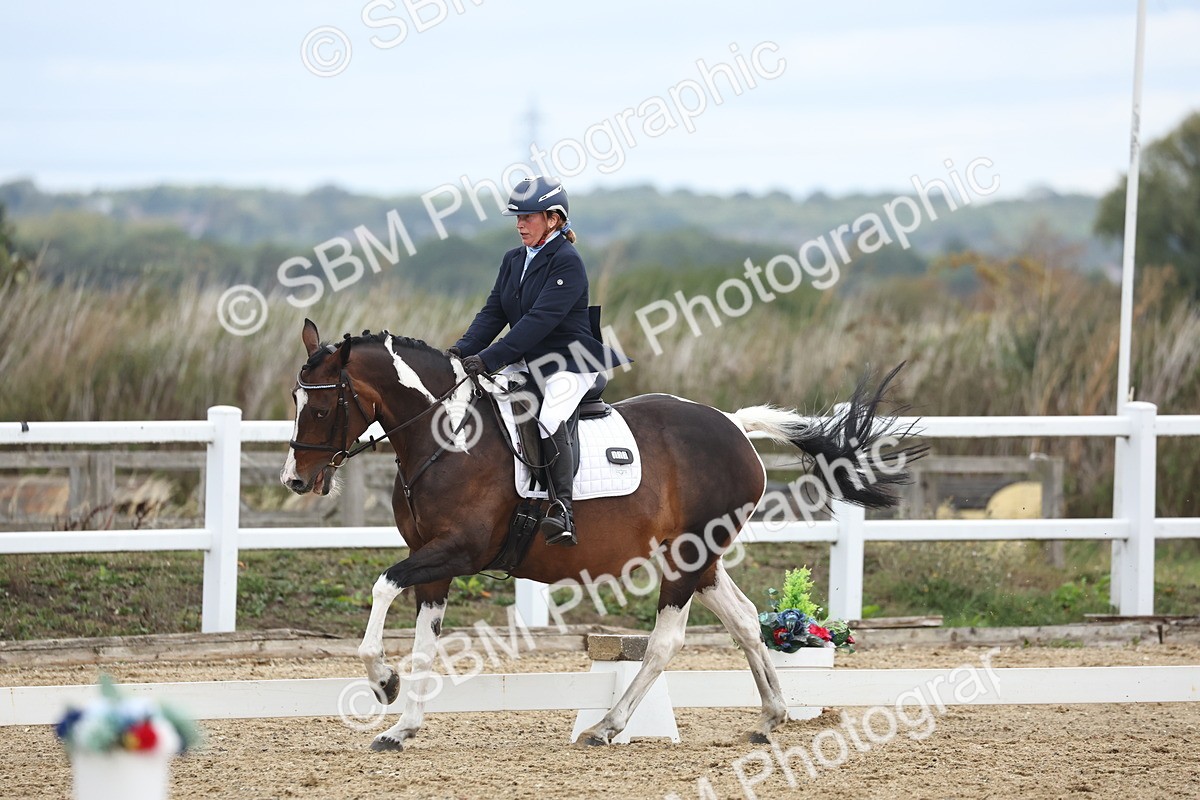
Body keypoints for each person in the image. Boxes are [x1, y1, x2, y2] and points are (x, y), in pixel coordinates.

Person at [448, 176, 630, 546]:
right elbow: (494, 311)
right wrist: (462, 350)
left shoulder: (567, 262)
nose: (519, 224)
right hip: (528, 363)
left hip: (570, 363)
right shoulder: (513, 259)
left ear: (553, 219)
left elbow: (538, 322)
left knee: (548, 417)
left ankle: (562, 510)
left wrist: (489, 358)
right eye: (517, 217)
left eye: (528, 216)